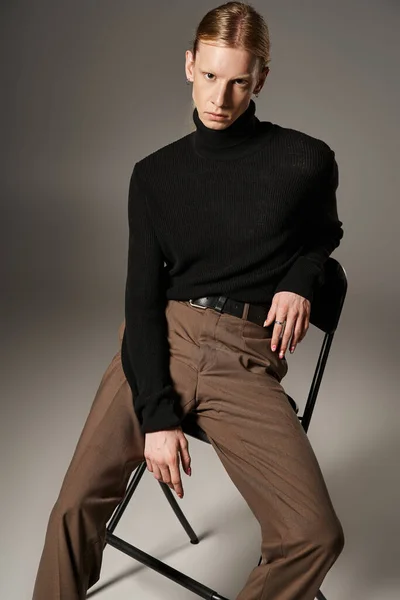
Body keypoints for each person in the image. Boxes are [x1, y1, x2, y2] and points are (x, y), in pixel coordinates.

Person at [32, 2, 345, 599]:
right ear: (188, 65)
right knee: (72, 511)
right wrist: (156, 417)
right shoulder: (154, 176)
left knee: (315, 535)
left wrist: (301, 277)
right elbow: (142, 300)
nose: (220, 98)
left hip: (245, 358)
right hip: (162, 340)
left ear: (261, 80)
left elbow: (323, 233)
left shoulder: (306, 160)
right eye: (208, 76)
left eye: (237, 81)